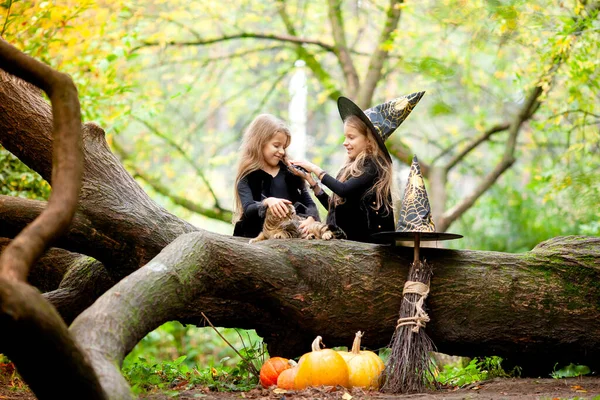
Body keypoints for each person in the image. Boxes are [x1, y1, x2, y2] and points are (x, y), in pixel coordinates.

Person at [289, 92, 425, 243]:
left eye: (351, 137)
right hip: (346, 241)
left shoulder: (374, 165)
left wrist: (315, 168)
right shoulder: (350, 168)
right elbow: (338, 210)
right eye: (345, 137)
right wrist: (313, 184)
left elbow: (343, 190)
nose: (345, 142)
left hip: (370, 245)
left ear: (368, 140)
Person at [233, 114, 320, 238]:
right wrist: (267, 202)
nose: (282, 151)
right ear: (259, 143)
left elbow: (309, 203)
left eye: (284, 147)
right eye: (276, 146)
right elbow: (248, 209)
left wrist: (312, 218)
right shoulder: (247, 178)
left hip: (291, 237)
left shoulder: (291, 174)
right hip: (257, 239)